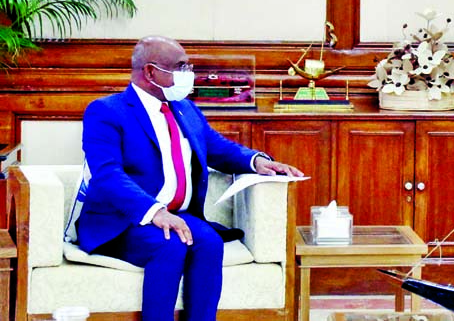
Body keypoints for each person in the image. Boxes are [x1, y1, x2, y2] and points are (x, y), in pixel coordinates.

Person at [77, 35, 304, 321]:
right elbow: (107, 173)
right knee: (169, 245)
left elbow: (217, 148)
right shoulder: (107, 111)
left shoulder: (185, 108)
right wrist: (155, 212)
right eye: (180, 67)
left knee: (209, 242)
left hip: (178, 215)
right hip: (123, 221)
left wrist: (257, 161)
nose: (189, 74)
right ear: (150, 72)